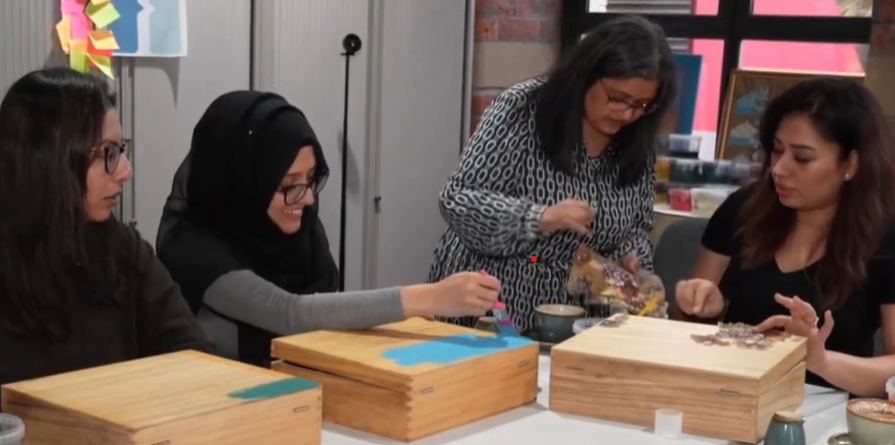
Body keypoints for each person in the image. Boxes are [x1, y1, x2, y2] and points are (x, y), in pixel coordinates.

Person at [157, 91, 501, 366]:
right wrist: (430, 297)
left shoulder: (301, 230)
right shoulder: (192, 248)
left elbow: (325, 312)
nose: (306, 198)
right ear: (243, 184)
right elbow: (291, 313)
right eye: (288, 184)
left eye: (310, 179)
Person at [427, 15, 678, 332]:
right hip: (492, 300)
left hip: (574, 314)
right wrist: (541, 217)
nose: (627, 114)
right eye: (617, 98)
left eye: (642, 105)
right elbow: (457, 199)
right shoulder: (523, 109)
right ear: (586, 74)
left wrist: (631, 257)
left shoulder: (637, 139)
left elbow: (638, 226)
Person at [673, 77, 895, 397]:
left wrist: (820, 361)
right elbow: (684, 328)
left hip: (829, 409)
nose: (778, 168)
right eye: (777, 150)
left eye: (802, 158)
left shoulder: (885, 236)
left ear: (851, 164)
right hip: (728, 393)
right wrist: (701, 310)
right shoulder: (743, 210)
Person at [0, 68, 212, 390]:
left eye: (121, 150)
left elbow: (195, 356)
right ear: (49, 162)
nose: (125, 171)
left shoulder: (122, 249)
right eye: (108, 154)